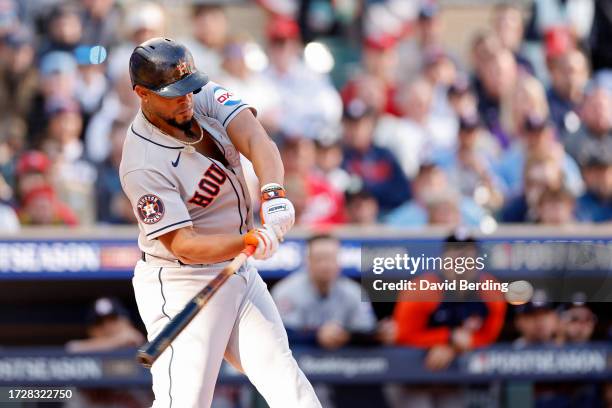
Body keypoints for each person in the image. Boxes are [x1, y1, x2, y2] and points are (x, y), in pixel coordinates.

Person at [120, 38, 319, 407]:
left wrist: (273, 194)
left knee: (287, 384)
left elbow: (255, 137)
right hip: (182, 283)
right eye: (173, 94)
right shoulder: (142, 162)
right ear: (142, 94)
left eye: (189, 88)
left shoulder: (197, 93)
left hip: (235, 271)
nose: (186, 99)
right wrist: (245, 241)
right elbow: (183, 244)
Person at [272, 233, 390, 407]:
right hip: (298, 370)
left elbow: (366, 331)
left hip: (345, 371)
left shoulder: (353, 291)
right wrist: (316, 335)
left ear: (338, 262)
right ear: (308, 261)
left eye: (330, 259)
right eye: (319, 259)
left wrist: (374, 334)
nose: (325, 265)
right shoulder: (287, 291)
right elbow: (278, 336)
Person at [66, 297, 144, 352]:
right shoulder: (81, 347)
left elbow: (135, 338)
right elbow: (72, 348)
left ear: (126, 321)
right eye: (99, 322)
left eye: (113, 319)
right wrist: (118, 341)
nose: (107, 326)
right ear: (90, 329)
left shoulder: (135, 340)